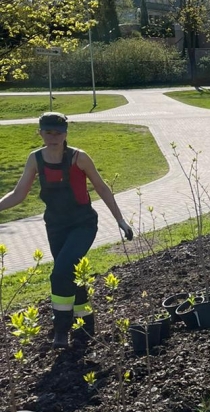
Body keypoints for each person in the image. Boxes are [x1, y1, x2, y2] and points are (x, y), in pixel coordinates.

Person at [0, 112, 134, 347]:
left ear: (65, 134)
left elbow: (101, 187)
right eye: (48, 132)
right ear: (40, 133)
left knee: (60, 273)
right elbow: (19, 193)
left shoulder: (79, 158)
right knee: (71, 273)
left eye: (58, 132)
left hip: (83, 224)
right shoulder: (35, 159)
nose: (53, 137)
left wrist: (120, 220)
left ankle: (61, 330)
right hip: (55, 227)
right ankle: (85, 324)